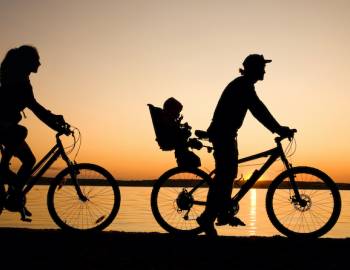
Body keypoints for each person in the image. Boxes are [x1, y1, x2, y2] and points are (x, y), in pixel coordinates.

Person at [197, 54, 294, 236]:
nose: (264, 71)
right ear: (254, 69)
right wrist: (278, 129)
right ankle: (207, 218)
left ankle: (221, 212)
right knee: (224, 176)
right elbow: (259, 110)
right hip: (223, 134)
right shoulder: (243, 86)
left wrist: (278, 128)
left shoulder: (244, 84)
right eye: (262, 67)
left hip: (228, 134)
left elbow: (259, 109)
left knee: (228, 174)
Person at [0, 45, 66, 215]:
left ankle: (14, 196)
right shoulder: (19, 83)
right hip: (4, 126)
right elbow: (36, 109)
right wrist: (55, 123)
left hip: (6, 126)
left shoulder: (19, 80)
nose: (40, 63)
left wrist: (54, 119)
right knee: (23, 140)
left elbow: (35, 107)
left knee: (27, 158)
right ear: (27, 62)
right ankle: (10, 185)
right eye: (36, 60)